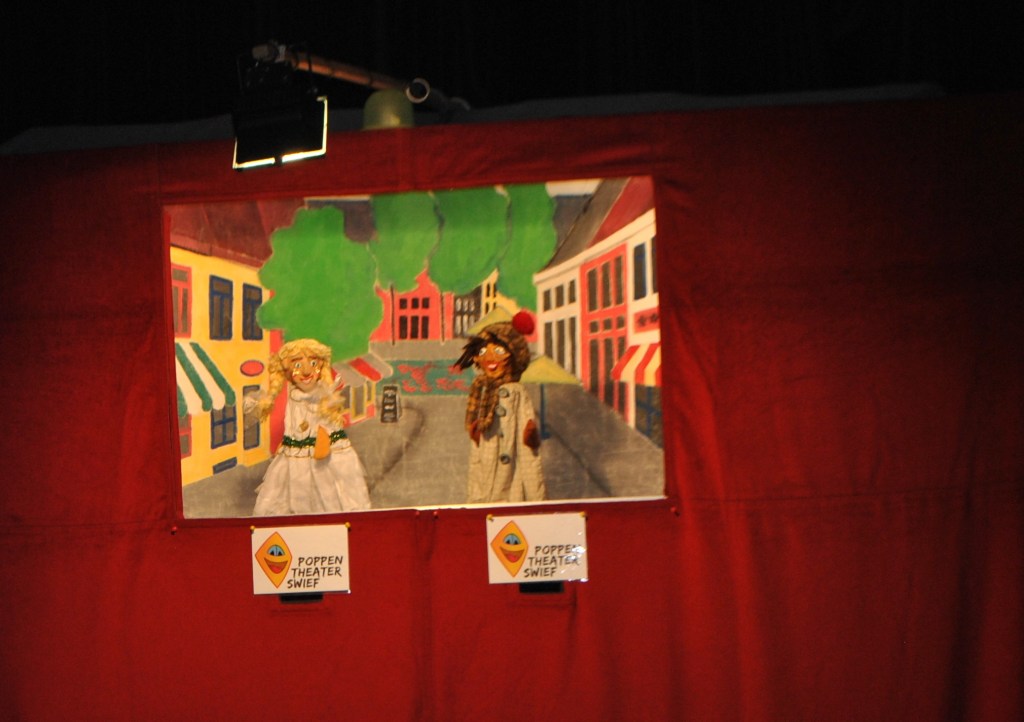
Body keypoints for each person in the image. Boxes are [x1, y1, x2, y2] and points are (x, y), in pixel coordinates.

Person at [247, 338, 371, 515]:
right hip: (296, 456)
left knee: (330, 495)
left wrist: (324, 435)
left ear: (321, 366)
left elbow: (329, 425)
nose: (306, 371)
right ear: (288, 371)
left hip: (324, 457)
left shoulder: (324, 396)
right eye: (297, 365)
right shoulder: (293, 395)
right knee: (286, 494)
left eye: (313, 364)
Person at [454, 311, 546, 503]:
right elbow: (476, 420)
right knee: (483, 476)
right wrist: (476, 431)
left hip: (513, 455)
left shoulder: (516, 391)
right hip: (487, 451)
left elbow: (525, 420)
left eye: (499, 351)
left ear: (514, 355)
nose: (490, 357)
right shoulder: (481, 388)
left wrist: (529, 432)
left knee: (518, 479)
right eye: (482, 352)